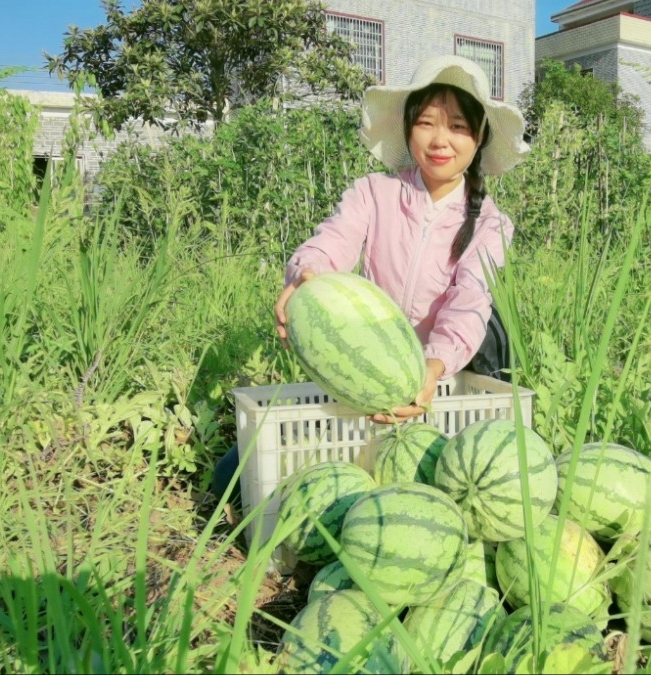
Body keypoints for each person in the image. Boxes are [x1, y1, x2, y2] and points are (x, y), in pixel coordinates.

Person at [211, 55, 530, 504]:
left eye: (458, 127)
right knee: (230, 478)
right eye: (426, 123)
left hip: (438, 383)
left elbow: (471, 301)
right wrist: (306, 276)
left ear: (478, 138)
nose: (441, 140)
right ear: (407, 130)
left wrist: (430, 369)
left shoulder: (491, 224)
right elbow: (330, 243)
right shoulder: (372, 194)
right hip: (358, 375)